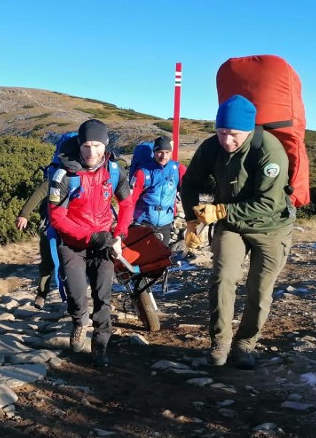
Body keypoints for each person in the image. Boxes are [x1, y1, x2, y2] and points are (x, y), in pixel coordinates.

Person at [181, 95, 295, 369]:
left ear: (249, 130)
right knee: (223, 278)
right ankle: (220, 342)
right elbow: (190, 182)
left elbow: (267, 203)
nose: (227, 141)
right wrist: (191, 220)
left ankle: (245, 344)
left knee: (259, 289)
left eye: (234, 135)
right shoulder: (211, 147)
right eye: (221, 132)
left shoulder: (269, 150)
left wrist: (219, 211)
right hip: (231, 226)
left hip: (272, 228)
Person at [48, 119, 134, 366]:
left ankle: (100, 343)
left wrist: (120, 234)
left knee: (102, 295)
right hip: (73, 244)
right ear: (79, 145)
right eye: (86, 145)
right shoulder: (64, 174)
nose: (91, 152)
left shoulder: (114, 171)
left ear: (105, 145)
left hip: (104, 242)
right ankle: (78, 322)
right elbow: (57, 217)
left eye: (97, 145)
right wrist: (91, 237)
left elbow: (127, 204)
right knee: (76, 296)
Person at [128, 136, 187, 245]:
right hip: (144, 221)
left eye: (167, 152)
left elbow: (188, 191)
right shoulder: (142, 172)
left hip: (166, 223)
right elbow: (131, 199)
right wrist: (126, 222)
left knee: (160, 258)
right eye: (160, 152)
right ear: (154, 151)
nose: (163, 156)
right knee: (143, 257)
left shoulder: (178, 169)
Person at [16, 178, 53, 309]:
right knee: (47, 262)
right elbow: (39, 193)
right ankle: (42, 293)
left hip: (76, 226)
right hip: (51, 226)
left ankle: (75, 299)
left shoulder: (86, 175)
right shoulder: (56, 176)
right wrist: (24, 214)